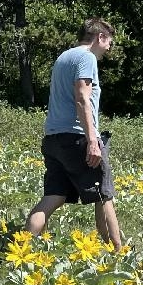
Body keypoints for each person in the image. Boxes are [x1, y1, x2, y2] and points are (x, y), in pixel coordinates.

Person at [25, 18, 123, 248]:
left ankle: (22, 250)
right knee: (103, 196)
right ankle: (119, 257)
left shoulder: (63, 57)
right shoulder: (86, 58)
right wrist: (92, 141)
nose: (109, 48)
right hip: (77, 137)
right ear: (100, 37)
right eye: (109, 42)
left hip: (53, 138)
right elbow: (82, 98)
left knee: (53, 197)